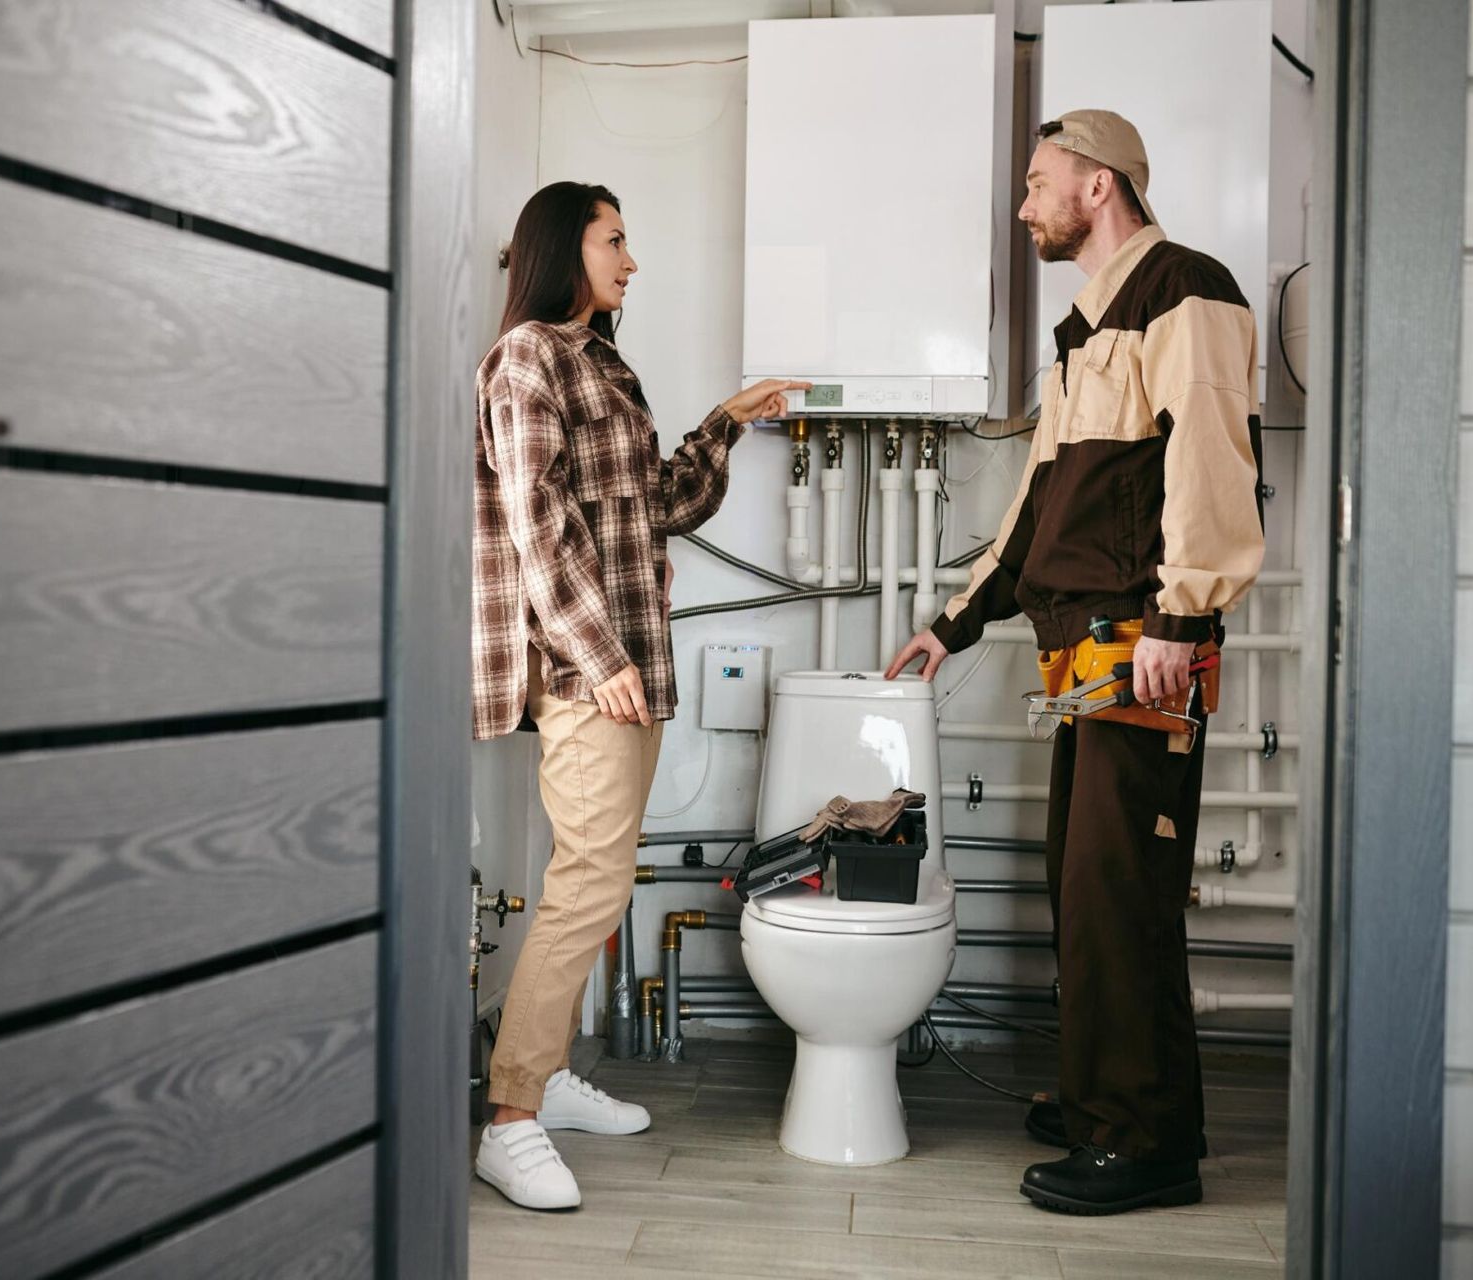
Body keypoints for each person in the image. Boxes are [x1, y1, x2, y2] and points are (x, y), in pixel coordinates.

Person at [886, 110, 1264, 1215]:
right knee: (1092, 889)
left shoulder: (1185, 291)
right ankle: (1127, 1095)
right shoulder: (1085, 330)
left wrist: (1181, 621)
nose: (1024, 205)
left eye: (1037, 183)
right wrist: (952, 622)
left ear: (1098, 184)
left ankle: (1136, 1140)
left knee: (1117, 896)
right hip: (1091, 659)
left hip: (1145, 653)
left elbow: (1208, 457)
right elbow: (1038, 505)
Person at [471, 180, 805, 1211]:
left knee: (598, 881)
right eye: (615, 238)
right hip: (589, 670)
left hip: (626, 664)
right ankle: (512, 1115)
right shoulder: (525, 357)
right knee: (586, 885)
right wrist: (599, 654)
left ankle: (548, 1074)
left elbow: (660, 500)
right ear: (563, 245)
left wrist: (727, 421)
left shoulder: (600, 364)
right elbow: (535, 524)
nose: (631, 257)